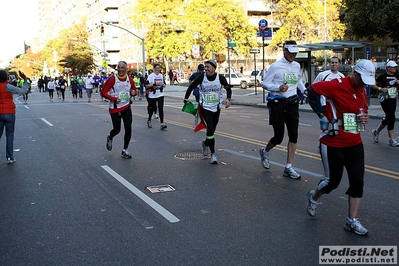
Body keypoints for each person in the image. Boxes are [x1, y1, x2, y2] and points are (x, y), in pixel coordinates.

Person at [305, 59, 375, 236]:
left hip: (355, 143)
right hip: (332, 143)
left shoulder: (361, 92)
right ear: (355, 74)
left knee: (357, 182)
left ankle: (351, 220)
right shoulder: (336, 85)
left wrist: (364, 118)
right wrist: (321, 114)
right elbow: (311, 91)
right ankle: (313, 198)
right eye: (362, 81)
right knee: (332, 182)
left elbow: (363, 109)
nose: (363, 86)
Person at [259, 40, 306, 179]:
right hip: (278, 104)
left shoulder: (297, 66)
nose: (293, 55)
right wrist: (278, 88)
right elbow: (264, 83)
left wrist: (305, 91)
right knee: (278, 137)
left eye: (295, 53)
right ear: (284, 51)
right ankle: (265, 151)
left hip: (292, 103)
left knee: (293, 135)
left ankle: (288, 167)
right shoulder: (275, 67)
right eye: (291, 53)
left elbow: (298, 81)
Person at [183, 60, 232, 164]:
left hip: (216, 107)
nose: (206, 69)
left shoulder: (220, 78)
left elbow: (228, 88)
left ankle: (205, 143)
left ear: (214, 68)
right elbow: (191, 87)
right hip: (205, 107)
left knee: (212, 130)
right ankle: (213, 154)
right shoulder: (202, 78)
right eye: (205, 67)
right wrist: (186, 99)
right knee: (210, 128)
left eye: (208, 67)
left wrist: (228, 99)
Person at [101, 61, 137, 159]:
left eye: (122, 68)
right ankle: (110, 137)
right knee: (117, 130)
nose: (120, 69)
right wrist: (114, 99)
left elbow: (133, 90)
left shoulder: (130, 79)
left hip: (126, 107)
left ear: (126, 69)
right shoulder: (112, 79)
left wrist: (134, 93)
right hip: (115, 109)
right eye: (119, 67)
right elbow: (103, 92)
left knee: (128, 128)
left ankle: (125, 150)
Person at [0, 69, 29, 163]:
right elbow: (23, 91)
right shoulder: (8, 86)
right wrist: (25, 80)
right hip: (9, 112)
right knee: (9, 135)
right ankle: (10, 157)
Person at [370, 60, 399, 146]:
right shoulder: (382, 76)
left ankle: (376, 131)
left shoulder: (397, 75)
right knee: (392, 117)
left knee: (388, 118)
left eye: (395, 67)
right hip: (384, 98)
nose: (394, 68)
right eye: (393, 67)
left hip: (393, 98)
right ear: (388, 68)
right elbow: (372, 85)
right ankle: (391, 140)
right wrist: (380, 89)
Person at [146, 64, 167, 130]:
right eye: (157, 68)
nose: (158, 69)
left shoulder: (161, 75)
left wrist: (163, 85)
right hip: (153, 93)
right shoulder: (151, 76)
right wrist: (155, 84)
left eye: (159, 68)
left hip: (160, 93)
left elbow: (163, 83)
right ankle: (149, 119)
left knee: (160, 108)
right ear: (154, 69)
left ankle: (162, 123)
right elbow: (147, 86)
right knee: (152, 108)